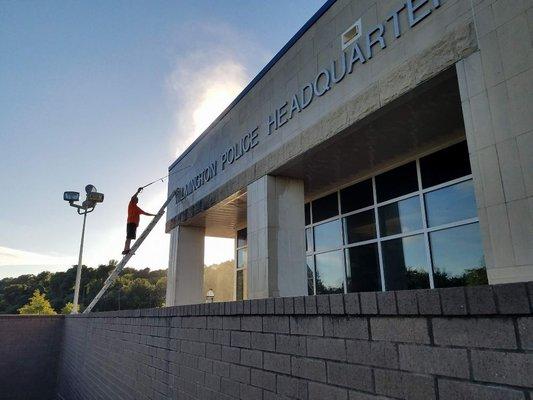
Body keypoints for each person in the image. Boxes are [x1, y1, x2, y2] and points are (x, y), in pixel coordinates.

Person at [122, 188, 156, 255]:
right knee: (129, 237)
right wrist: (138, 191)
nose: (136, 199)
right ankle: (126, 249)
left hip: (134, 224)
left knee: (130, 237)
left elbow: (145, 213)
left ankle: (127, 249)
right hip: (131, 223)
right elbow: (133, 197)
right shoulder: (131, 204)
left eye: (137, 199)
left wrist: (154, 215)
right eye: (136, 199)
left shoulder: (137, 208)